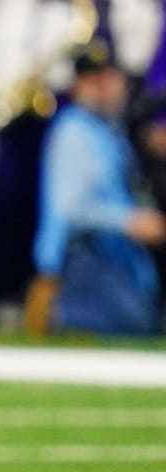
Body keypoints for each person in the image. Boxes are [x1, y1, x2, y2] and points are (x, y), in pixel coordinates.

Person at [28, 40, 166, 336]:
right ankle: (63, 314)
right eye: (97, 80)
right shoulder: (73, 131)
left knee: (145, 322)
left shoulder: (107, 130)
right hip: (82, 257)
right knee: (135, 325)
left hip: (116, 256)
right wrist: (130, 221)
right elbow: (71, 209)